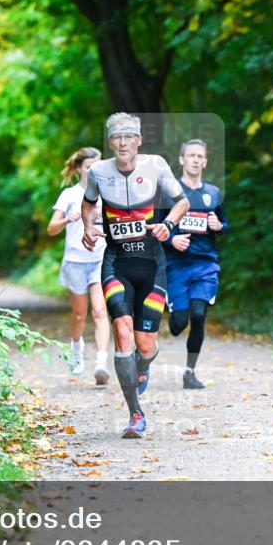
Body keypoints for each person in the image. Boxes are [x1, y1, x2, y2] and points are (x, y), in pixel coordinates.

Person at [81, 113, 190, 438]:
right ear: (110, 142)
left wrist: (167, 225)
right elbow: (88, 204)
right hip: (116, 262)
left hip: (151, 264)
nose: (123, 142)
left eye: (129, 136)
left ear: (139, 140)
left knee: (145, 344)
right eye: (117, 137)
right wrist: (88, 226)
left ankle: (143, 365)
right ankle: (135, 415)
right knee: (122, 331)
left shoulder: (155, 165)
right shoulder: (99, 172)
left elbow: (182, 201)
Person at [157, 139, 226, 389]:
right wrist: (173, 240)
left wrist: (219, 227)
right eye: (191, 155)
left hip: (206, 264)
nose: (196, 159)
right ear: (182, 160)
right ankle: (173, 314)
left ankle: (190, 372)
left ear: (205, 161)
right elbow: (156, 228)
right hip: (177, 266)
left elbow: (223, 224)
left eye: (200, 156)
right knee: (178, 325)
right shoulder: (169, 194)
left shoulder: (214, 193)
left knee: (199, 315)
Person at [47, 146, 110, 385]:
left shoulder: (106, 194)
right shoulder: (69, 195)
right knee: (79, 314)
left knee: (100, 311)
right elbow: (51, 229)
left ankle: (101, 363)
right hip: (75, 261)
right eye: (88, 167)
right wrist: (67, 218)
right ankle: (76, 349)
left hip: (100, 259)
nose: (93, 171)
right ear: (79, 169)